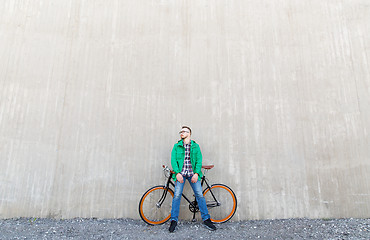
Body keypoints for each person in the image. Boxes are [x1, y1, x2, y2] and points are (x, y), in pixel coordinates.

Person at [168, 126, 217, 232]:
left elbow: (199, 160)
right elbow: (173, 160)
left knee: (199, 195)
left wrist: (196, 174)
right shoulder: (177, 146)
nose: (181, 133)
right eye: (180, 131)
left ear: (189, 133)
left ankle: (207, 219)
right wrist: (177, 173)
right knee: (176, 196)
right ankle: (173, 221)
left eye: (184, 131)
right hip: (181, 174)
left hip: (192, 174)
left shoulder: (195, 146)